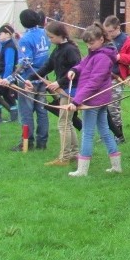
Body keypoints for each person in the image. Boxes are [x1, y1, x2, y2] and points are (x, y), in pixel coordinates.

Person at [65, 24, 122, 177]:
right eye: (87, 44)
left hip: (94, 100)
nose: (89, 46)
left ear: (101, 39)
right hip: (99, 99)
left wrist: (76, 101)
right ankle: (116, 167)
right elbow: (83, 64)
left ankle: (82, 170)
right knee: (104, 131)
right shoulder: (95, 53)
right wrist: (74, 70)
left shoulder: (102, 57)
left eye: (91, 43)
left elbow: (94, 82)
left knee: (87, 133)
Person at [35, 21, 82, 167]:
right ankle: (73, 154)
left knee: (63, 124)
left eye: (51, 37)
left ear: (60, 35)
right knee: (67, 123)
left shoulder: (70, 50)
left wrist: (59, 83)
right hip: (65, 89)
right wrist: (32, 78)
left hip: (70, 90)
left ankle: (64, 158)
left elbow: (77, 70)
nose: (50, 40)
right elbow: (48, 66)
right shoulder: (58, 49)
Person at [7, 9, 51, 151]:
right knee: (42, 110)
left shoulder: (26, 39)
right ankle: (42, 142)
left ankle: (26, 143)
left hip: (28, 80)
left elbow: (26, 61)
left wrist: (11, 76)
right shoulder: (44, 33)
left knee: (26, 112)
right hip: (42, 77)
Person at [102, 15, 130, 145]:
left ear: (118, 28)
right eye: (107, 32)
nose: (109, 34)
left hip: (117, 77)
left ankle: (119, 135)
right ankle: (106, 133)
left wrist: (118, 56)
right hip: (104, 76)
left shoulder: (127, 41)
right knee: (102, 106)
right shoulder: (104, 39)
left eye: (111, 31)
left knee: (113, 107)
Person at [0, 24, 19, 123]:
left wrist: (5, 79)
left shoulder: (10, 47)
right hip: (5, 75)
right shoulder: (5, 44)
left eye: (0, 34)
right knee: (8, 96)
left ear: (8, 34)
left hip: (6, 76)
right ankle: (13, 118)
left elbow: (9, 64)